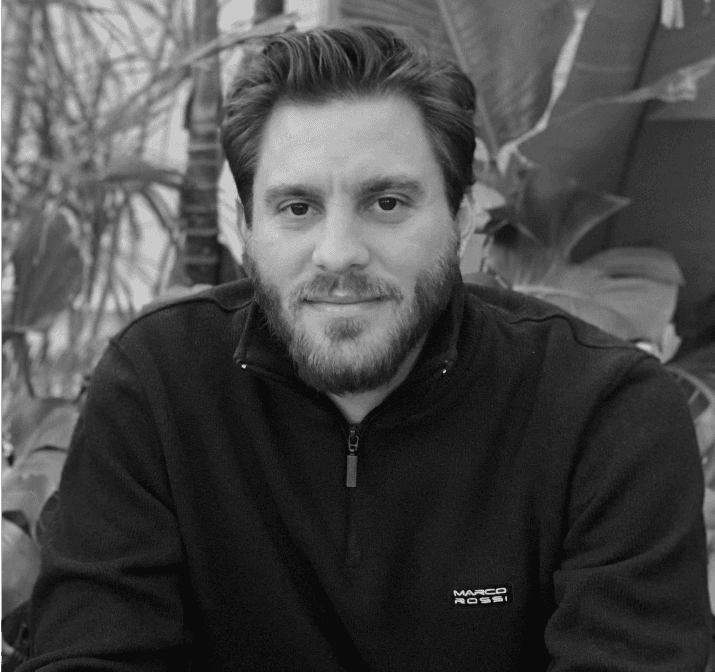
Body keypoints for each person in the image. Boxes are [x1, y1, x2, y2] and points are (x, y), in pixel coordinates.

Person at [19, 26, 711, 672]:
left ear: (462, 218)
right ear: (248, 227)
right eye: (297, 207)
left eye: (386, 203)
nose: (338, 253)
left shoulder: (604, 413)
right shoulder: (159, 385)